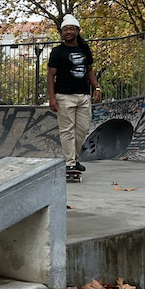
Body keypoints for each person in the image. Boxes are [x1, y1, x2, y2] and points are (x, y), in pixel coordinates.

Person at [46, 14, 100, 172]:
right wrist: (51, 98)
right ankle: (70, 163)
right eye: (65, 30)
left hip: (83, 95)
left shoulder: (84, 50)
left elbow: (90, 71)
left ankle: (73, 158)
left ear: (77, 31)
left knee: (82, 129)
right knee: (67, 130)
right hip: (64, 96)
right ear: (61, 33)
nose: (68, 32)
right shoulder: (57, 52)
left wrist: (96, 88)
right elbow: (50, 75)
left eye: (71, 29)